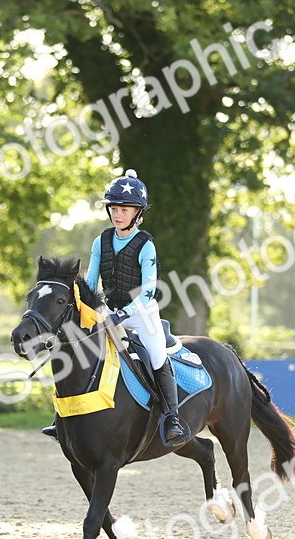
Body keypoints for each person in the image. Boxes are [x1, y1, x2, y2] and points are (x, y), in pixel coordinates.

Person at [42, 169, 191, 447]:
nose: (117, 214)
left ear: (138, 213)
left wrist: (123, 314)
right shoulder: (102, 240)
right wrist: (86, 308)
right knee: (77, 346)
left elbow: (148, 291)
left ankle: (172, 417)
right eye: (114, 209)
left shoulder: (146, 245)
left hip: (142, 315)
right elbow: (90, 281)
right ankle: (61, 416)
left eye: (124, 209)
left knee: (157, 357)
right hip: (108, 311)